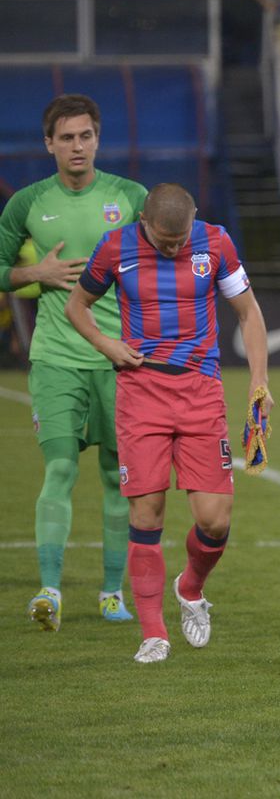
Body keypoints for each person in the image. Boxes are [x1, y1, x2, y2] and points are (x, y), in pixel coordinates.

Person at [64, 183, 271, 664]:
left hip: (200, 392)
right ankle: (153, 634)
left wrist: (259, 381)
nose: (174, 248)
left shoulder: (216, 242)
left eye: (180, 241)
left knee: (215, 521)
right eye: (164, 241)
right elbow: (78, 306)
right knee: (146, 515)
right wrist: (107, 345)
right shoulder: (115, 248)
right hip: (141, 394)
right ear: (143, 221)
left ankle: (190, 586)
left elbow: (249, 312)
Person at [0, 94, 148, 631]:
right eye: (66, 137)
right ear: (49, 145)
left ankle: (112, 593)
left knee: (116, 476)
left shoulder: (131, 197)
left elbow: (171, 254)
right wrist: (34, 273)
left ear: (97, 139)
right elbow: (0, 268)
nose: (77, 146)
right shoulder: (28, 203)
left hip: (120, 361)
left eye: (85, 136)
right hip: (56, 358)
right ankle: (50, 591)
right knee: (60, 468)